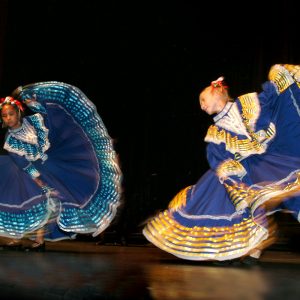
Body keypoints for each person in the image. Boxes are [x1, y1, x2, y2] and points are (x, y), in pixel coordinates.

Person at [143, 64, 300, 263]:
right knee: (218, 194)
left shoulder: (247, 103)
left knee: (288, 184)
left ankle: (254, 246)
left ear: (217, 93)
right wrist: (229, 169)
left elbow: (269, 103)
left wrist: (279, 81)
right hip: (242, 169)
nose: (201, 105)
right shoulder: (216, 131)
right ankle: (250, 247)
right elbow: (216, 156)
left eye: (203, 99)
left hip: (264, 158)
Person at [0, 81, 122, 251]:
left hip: (54, 162)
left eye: (11, 114)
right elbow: (25, 166)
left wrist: (33, 102)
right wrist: (41, 183)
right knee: (38, 202)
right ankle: (37, 240)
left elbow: (50, 116)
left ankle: (36, 240)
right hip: (31, 173)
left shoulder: (35, 121)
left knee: (68, 192)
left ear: (19, 112)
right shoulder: (11, 142)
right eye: (4, 116)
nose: (8, 118)